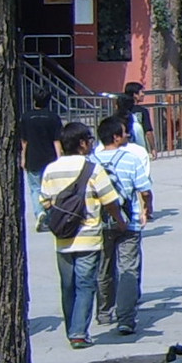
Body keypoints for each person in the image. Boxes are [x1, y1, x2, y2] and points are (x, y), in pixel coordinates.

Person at [40, 121, 126, 349]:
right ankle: (79, 333)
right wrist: (120, 221)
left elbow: (45, 202)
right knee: (86, 285)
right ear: (81, 143)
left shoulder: (50, 169)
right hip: (88, 236)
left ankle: (72, 329)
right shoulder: (93, 169)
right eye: (89, 140)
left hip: (62, 239)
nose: (91, 144)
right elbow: (110, 200)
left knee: (67, 286)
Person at [94, 114, 155, 336]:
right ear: (116, 137)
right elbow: (145, 191)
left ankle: (104, 311)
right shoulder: (131, 159)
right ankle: (126, 318)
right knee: (128, 268)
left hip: (99, 222)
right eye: (123, 132)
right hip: (129, 221)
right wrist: (147, 209)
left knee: (104, 266)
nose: (127, 135)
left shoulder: (91, 160)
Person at [19, 88, 63, 225]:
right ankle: (48, 213)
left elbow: (24, 141)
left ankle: (39, 212)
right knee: (50, 187)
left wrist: (23, 158)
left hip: (32, 156)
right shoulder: (53, 117)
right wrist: (59, 157)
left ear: (34, 100)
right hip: (50, 157)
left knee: (35, 188)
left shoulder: (26, 117)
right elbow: (57, 140)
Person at [118, 82, 155, 150]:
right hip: (140, 146)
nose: (143, 94)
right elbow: (148, 132)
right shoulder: (143, 111)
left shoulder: (122, 111)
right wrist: (153, 148)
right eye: (141, 92)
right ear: (135, 94)